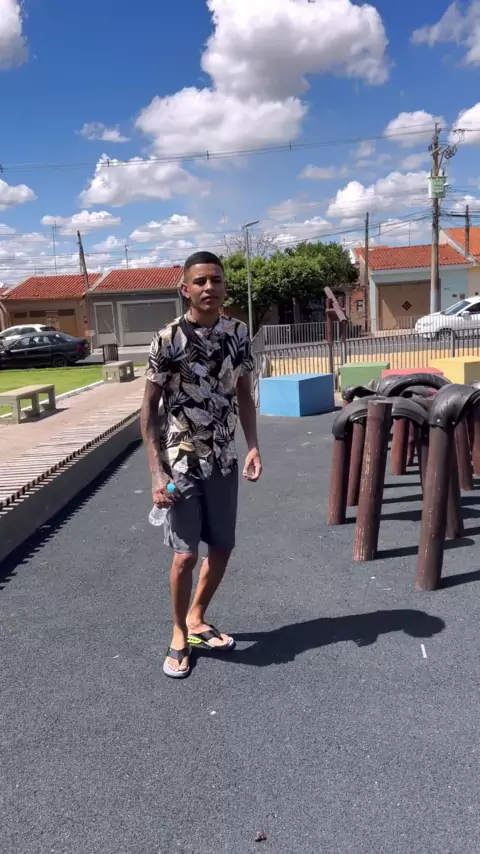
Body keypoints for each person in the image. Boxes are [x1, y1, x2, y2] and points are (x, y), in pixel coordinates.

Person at [140, 250, 262, 679]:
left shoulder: (238, 333)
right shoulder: (167, 339)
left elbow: (244, 394)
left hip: (224, 456)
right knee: (185, 554)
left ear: (225, 286)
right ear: (185, 289)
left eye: (216, 280)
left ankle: (196, 618)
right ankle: (178, 631)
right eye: (200, 281)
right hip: (181, 460)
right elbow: (148, 411)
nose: (209, 287)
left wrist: (253, 445)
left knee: (223, 546)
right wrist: (156, 471)